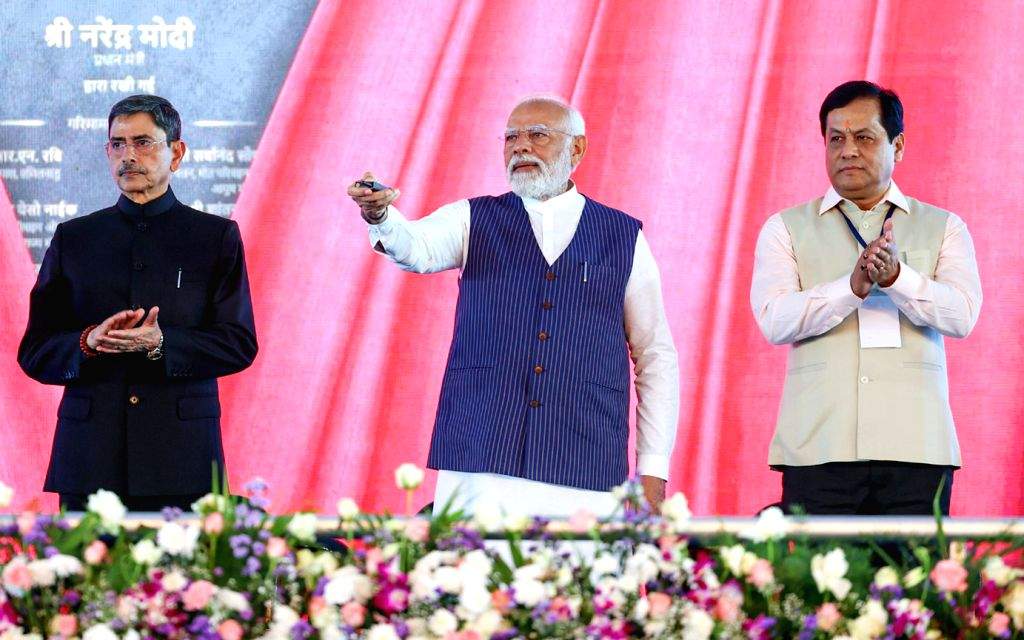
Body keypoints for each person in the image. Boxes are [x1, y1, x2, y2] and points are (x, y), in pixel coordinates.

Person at [348, 95, 679, 517]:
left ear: (576, 149)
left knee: (579, 584)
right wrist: (382, 217)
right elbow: (416, 247)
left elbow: (655, 355)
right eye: (511, 137)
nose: (520, 147)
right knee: (472, 580)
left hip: (586, 458)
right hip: (480, 457)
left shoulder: (622, 235)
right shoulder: (472, 218)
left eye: (538, 135)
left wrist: (653, 470)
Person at [750, 81, 982, 515]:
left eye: (864, 137)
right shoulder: (784, 227)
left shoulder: (944, 225)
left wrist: (898, 278)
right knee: (815, 584)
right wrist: (849, 288)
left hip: (917, 448)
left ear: (898, 147)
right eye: (836, 138)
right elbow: (774, 319)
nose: (848, 150)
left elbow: (963, 315)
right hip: (818, 446)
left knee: (915, 584)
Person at [18, 94, 258, 511]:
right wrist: (87, 342)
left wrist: (163, 344)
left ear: (177, 152)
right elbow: (36, 352)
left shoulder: (214, 238)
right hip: (89, 459)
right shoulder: (74, 239)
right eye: (117, 144)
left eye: (144, 142)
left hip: (182, 459)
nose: (128, 156)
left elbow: (238, 343)